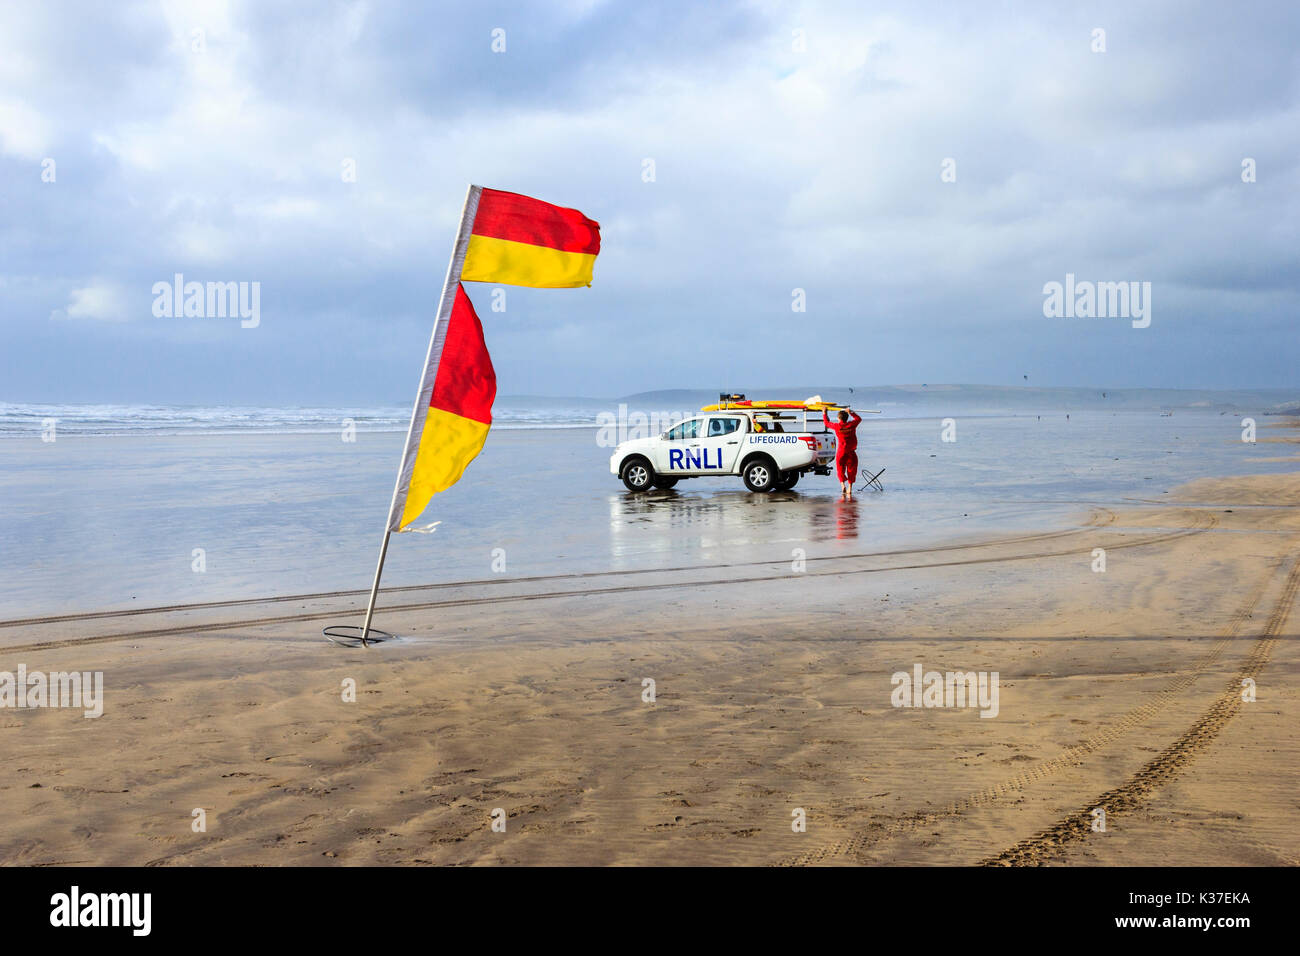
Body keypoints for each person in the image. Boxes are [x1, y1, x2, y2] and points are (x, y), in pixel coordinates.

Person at [823, 407, 862, 499]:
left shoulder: (837, 426)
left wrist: (824, 413)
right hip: (851, 451)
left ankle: (842, 485)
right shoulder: (851, 425)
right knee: (851, 469)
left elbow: (826, 423)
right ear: (846, 418)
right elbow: (858, 419)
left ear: (839, 419)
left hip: (841, 451)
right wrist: (851, 412)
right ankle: (850, 488)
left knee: (840, 469)